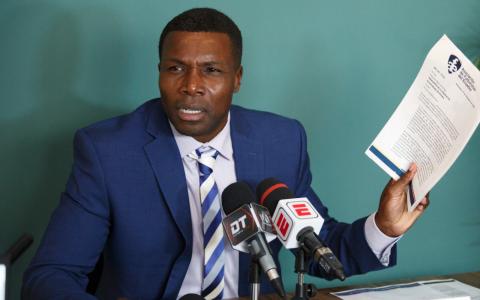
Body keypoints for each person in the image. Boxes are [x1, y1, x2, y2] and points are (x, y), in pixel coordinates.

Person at [22, 7, 429, 300]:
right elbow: (50, 276)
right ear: (159, 73)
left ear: (237, 79)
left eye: (211, 70)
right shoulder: (109, 151)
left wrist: (385, 227)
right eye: (175, 68)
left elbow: (320, 249)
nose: (191, 86)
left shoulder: (280, 140)